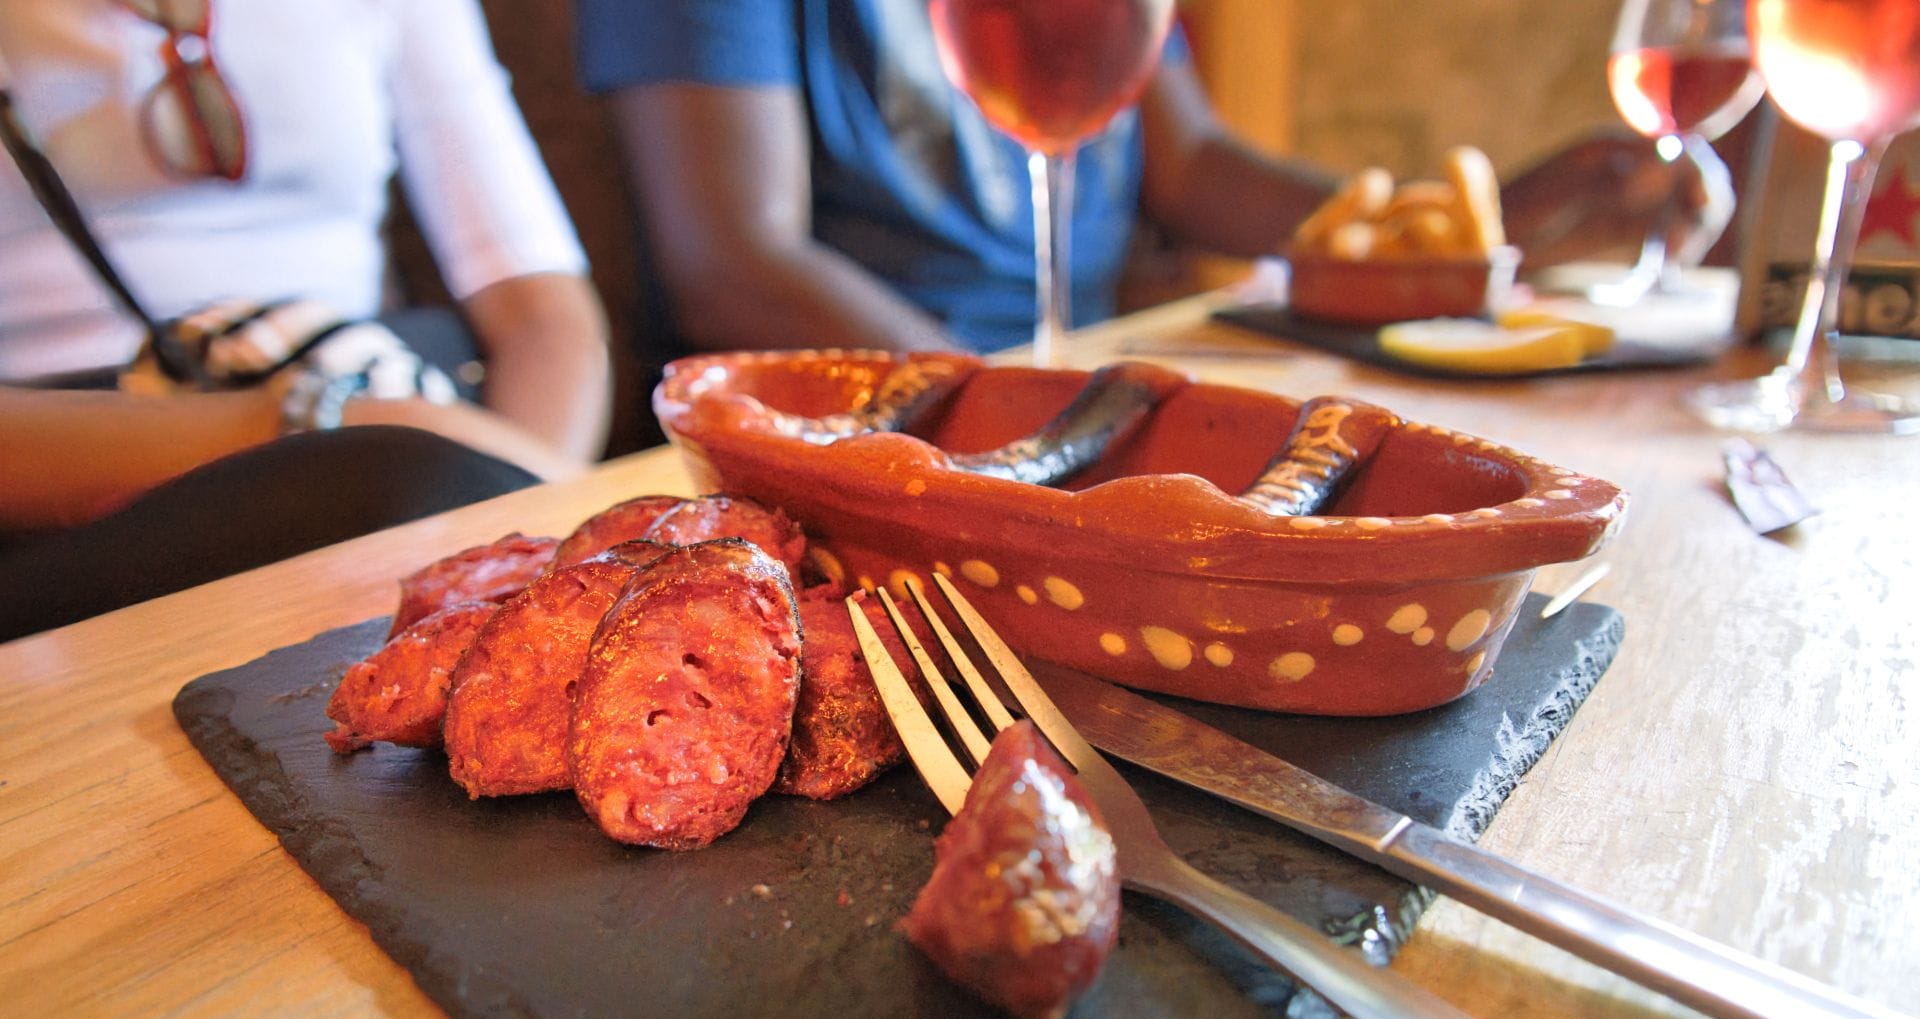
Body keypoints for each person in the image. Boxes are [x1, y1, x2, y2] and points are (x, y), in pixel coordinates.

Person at [574, 1, 1710, 355]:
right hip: (875, 425)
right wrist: (1015, 424)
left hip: (1077, 380)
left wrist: (1468, 234)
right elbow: (736, 265)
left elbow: (1195, 162)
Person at [0, 0, 609, 638]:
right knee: (399, 491)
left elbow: (542, 314)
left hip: (383, 420)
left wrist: (533, 536)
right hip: (71, 466)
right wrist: (320, 423)